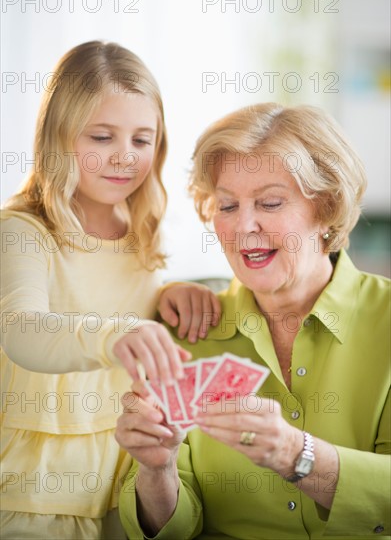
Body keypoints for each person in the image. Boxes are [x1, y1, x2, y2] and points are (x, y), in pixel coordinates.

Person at [116, 103, 391, 539]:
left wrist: (294, 454)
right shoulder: (181, 332)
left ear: (327, 208)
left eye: (270, 202)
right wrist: (157, 468)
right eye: (226, 205)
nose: (244, 226)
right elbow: (172, 528)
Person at [0, 40, 221, 539]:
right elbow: (23, 330)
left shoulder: (141, 228)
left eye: (142, 140)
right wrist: (119, 332)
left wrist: (167, 292)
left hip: (123, 487)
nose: (124, 157)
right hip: (37, 492)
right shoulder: (23, 230)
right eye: (102, 137)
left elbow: (114, 295)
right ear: (57, 137)